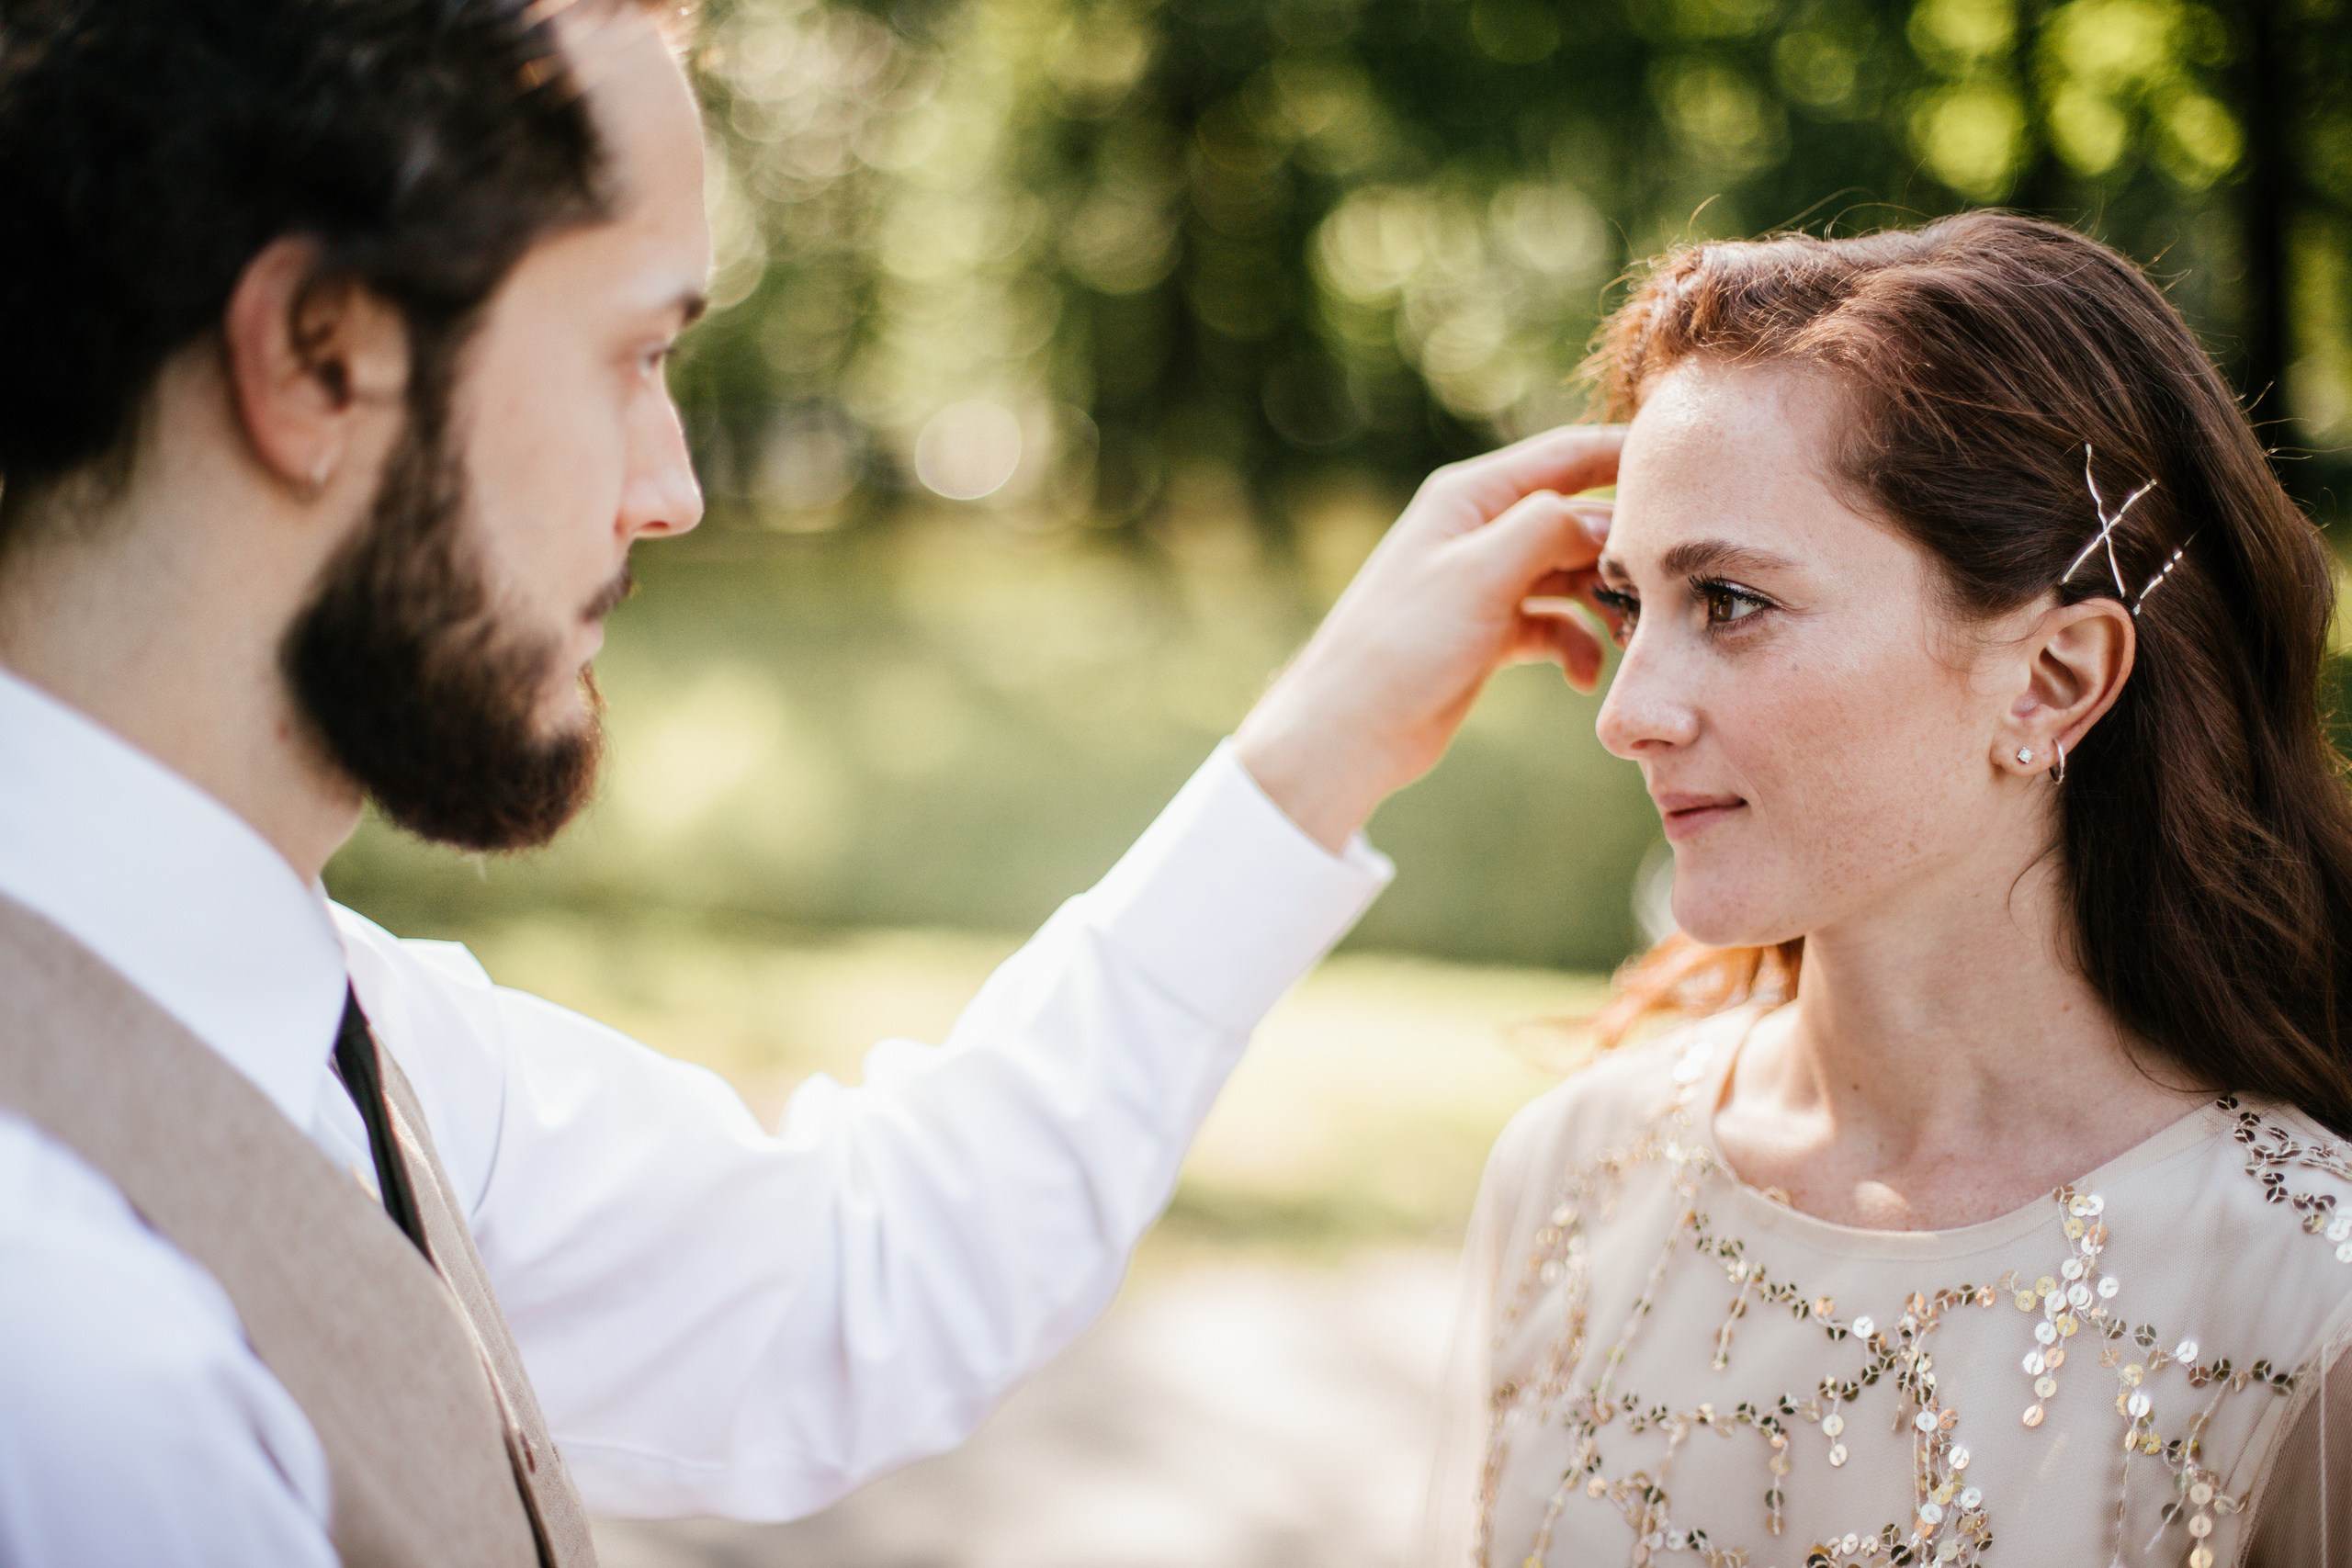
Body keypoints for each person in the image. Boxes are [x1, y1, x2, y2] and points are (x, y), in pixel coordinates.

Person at [0, 1, 1623, 1562]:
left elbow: (855, 1280)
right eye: (635, 354)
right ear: (320, 354)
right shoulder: (76, 1357)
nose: (677, 489)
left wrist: (1324, 743)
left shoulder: (355, 1028)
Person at [1432, 210, 2352, 1568]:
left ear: (2053, 679)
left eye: (1731, 600)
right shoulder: (1571, 1173)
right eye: (1629, 604)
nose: (1627, 715)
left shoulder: (2303, 1293)